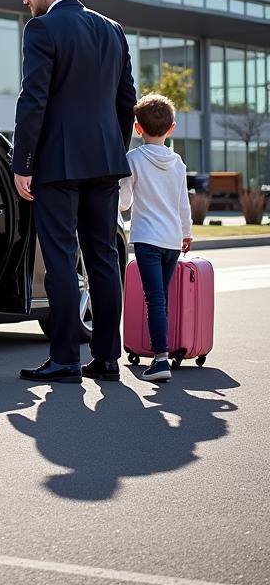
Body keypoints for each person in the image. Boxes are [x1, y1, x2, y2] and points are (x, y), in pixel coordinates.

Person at [13, 0, 136, 383]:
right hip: (104, 162)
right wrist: (113, 152)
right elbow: (126, 102)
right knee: (103, 258)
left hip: (58, 163)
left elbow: (34, 99)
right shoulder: (112, 30)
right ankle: (106, 359)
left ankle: (65, 358)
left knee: (62, 256)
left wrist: (22, 162)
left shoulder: (42, 28)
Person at [118, 93, 192, 382]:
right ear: (172, 128)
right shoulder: (178, 162)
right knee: (161, 298)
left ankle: (161, 359)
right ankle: (162, 355)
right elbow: (183, 203)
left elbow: (124, 203)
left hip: (148, 240)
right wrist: (186, 233)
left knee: (155, 299)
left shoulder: (132, 159)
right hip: (173, 240)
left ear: (138, 128)